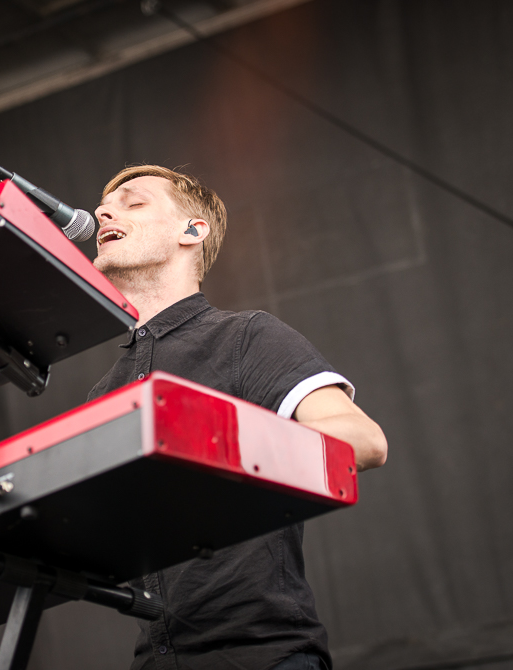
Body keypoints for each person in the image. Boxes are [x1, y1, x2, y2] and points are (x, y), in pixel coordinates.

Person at [88, 166, 388, 670]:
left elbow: (362, 440)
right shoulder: (104, 393)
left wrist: (204, 446)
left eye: (133, 203)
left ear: (192, 231)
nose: (103, 213)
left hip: (264, 656)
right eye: (104, 207)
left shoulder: (246, 336)